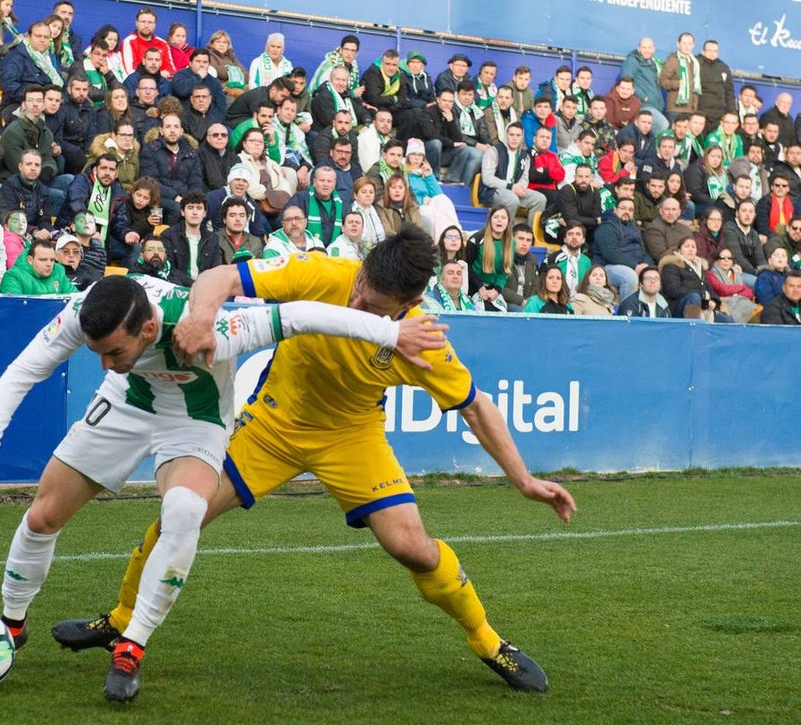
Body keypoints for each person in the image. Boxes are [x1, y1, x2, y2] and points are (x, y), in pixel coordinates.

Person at [51, 226, 576, 698]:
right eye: (359, 292)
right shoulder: (323, 271)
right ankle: (120, 622)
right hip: (273, 424)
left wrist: (524, 479)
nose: (356, 307)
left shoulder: (421, 340)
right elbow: (217, 278)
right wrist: (201, 317)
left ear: (409, 305)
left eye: (373, 308)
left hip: (353, 435)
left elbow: (477, 407)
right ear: (362, 267)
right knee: (181, 513)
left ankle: (488, 642)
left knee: (411, 547)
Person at [0, 264, 446, 701]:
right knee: (43, 515)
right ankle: (12, 625)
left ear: (148, 329)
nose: (102, 361)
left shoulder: (219, 329)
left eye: (113, 350)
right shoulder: (87, 310)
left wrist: (389, 333)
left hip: (195, 419)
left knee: (184, 511)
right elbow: (25, 369)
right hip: (127, 403)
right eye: (96, 352)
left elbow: (300, 315)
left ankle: (130, 647)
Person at [479, 121, 546, 221]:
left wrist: (520, 187)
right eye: (512, 135)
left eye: (518, 135)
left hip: (514, 190)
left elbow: (524, 178)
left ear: (521, 137)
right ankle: (507, 233)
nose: (515, 138)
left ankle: (529, 234)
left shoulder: (525, 156)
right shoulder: (494, 151)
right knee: (512, 199)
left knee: (540, 199)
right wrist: (510, 187)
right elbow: (487, 179)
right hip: (493, 191)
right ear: (506, 135)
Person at [659, 235, 730, 320]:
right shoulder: (671, 265)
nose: (690, 249)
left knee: (725, 319)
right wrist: (702, 295)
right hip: (677, 309)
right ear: (679, 250)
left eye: (693, 247)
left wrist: (714, 301)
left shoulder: (700, 268)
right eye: (687, 246)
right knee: (694, 297)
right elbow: (673, 291)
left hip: (703, 307)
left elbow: (709, 290)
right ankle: (693, 329)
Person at [403, 138, 459, 239]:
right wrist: (422, 201)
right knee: (429, 212)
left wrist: (429, 176)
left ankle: (456, 232)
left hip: (429, 205)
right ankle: (441, 241)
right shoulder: (404, 174)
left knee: (444, 200)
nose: (416, 158)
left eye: (420, 155)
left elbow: (439, 195)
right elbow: (405, 195)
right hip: (415, 207)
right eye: (413, 154)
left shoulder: (424, 173)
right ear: (408, 157)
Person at [463, 205, 514, 311]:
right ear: (490, 220)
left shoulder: (511, 243)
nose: (499, 220)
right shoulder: (476, 240)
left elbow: (505, 272)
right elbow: (466, 268)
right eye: (496, 217)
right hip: (474, 286)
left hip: (493, 289)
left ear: (508, 222)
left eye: (503, 218)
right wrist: (480, 287)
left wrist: (497, 290)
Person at [0, 236, 73, 295]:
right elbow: (13, 306)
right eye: (43, 260)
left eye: (52, 260)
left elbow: (75, 298)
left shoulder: (58, 271)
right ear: (30, 260)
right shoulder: (13, 276)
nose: (49, 264)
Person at [706, 247, 757, 322]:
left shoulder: (736, 275)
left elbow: (749, 293)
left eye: (729, 258)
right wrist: (741, 288)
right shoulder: (710, 274)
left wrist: (734, 296)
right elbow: (722, 289)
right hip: (720, 307)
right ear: (716, 261)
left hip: (739, 305)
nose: (726, 260)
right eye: (722, 258)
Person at [644, 196, 693, 263]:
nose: (670, 213)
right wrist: (682, 247)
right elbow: (661, 256)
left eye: (674, 209)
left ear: (679, 212)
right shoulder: (653, 229)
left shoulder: (686, 229)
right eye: (667, 209)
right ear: (661, 211)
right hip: (669, 266)